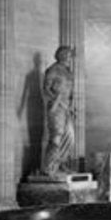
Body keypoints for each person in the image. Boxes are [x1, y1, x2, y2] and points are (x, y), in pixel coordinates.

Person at [41, 45, 76, 178]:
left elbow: (70, 92)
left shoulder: (68, 72)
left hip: (66, 107)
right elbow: (46, 88)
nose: (69, 57)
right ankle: (48, 168)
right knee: (56, 136)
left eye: (70, 55)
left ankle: (60, 163)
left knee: (69, 137)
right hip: (56, 107)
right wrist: (55, 99)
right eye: (66, 54)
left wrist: (71, 106)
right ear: (60, 55)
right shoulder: (53, 69)